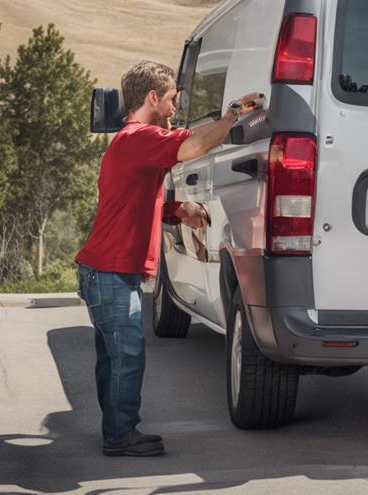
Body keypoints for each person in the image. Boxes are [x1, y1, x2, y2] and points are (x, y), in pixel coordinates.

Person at [74, 60, 259, 456]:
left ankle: (115, 429)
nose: (177, 104)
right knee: (126, 354)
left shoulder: (127, 142)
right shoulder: (140, 137)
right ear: (152, 97)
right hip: (109, 271)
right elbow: (193, 146)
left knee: (113, 357)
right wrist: (232, 116)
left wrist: (180, 212)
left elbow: (133, 203)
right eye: (173, 96)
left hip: (101, 270)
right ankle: (120, 436)